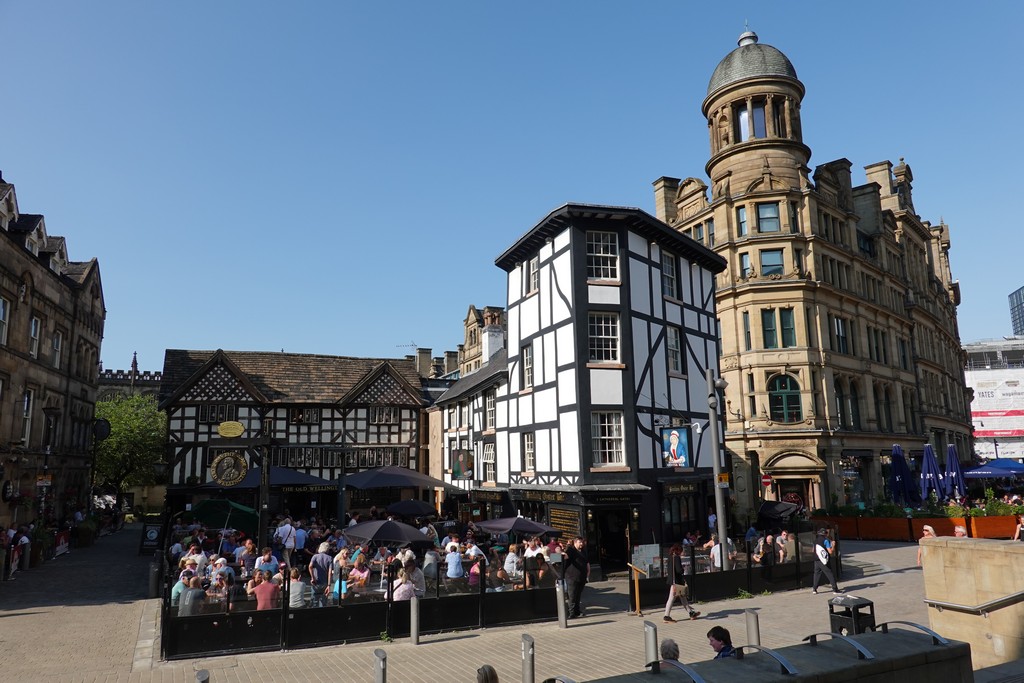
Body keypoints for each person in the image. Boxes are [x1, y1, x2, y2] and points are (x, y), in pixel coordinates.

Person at [663, 544, 700, 622]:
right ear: (677, 550)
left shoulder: (670, 557)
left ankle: (691, 613)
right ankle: (666, 616)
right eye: (680, 551)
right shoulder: (676, 558)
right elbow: (679, 570)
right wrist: (683, 568)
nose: (681, 553)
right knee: (671, 599)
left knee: (683, 598)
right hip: (676, 582)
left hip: (673, 581)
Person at [563, 536, 589, 619]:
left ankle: (577, 611)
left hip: (582, 577)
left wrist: (587, 574)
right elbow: (565, 556)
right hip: (572, 577)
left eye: (582, 542)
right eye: (579, 542)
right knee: (572, 596)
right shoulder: (571, 550)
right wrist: (560, 555)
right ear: (575, 542)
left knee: (578, 595)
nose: (581, 544)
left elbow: (587, 563)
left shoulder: (584, 551)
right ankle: (571, 613)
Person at [811, 528, 842, 594]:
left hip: (816, 559)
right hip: (824, 560)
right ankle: (835, 589)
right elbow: (830, 551)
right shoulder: (826, 541)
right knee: (829, 573)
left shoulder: (815, 540)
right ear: (825, 534)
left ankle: (814, 589)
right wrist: (833, 546)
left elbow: (813, 550)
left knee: (817, 573)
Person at [308, 541, 334, 607]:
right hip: (325, 582)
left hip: (316, 581)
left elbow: (310, 566)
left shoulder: (315, 556)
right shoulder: (330, 558)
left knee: (314, 600)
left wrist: (312, 577)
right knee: (323, 601)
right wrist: (329, 585)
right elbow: (330, 572)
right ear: (327, 549)